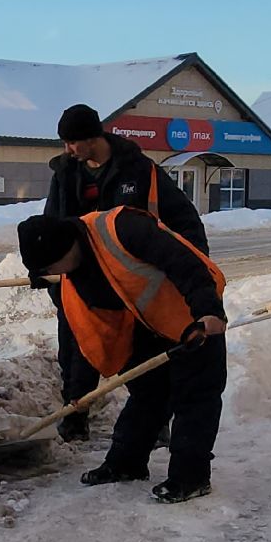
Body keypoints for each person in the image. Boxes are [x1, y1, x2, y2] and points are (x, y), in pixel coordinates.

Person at [17, 208, 227, 503]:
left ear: (67, 247)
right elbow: (84, 339)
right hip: (144, 324)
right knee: (147, 393)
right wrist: (78, 398)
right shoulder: (74, 278)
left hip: (193, 318)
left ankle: (190, 478)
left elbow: (184, 263)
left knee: (195, 396)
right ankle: (126, 463)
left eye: (53, 266)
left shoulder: (122, 228)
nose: (56, 274)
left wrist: (208, 311)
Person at [41, 103, 208, 443]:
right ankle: (75, 416)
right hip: (81, 281)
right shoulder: (64, 174)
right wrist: (46, 272)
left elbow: (183, 217)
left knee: (142, 355)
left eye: (73, 142)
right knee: (76, 350)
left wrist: (194, 263)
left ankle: (154, 419)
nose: (68, 149)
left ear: (93, 137)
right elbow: (51, 226)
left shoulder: (138, 171)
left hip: (131, 281)